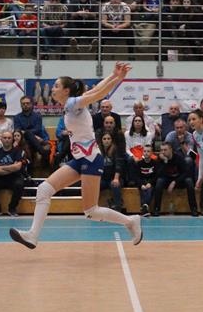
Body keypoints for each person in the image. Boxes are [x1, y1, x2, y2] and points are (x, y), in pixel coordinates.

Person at [10, 62, 142, 248]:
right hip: (79, 159)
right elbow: (95, 90)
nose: (52, 89)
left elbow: (98, 94)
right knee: (44, 190)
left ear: (66, 91)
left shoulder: (72, 103)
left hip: (91, 159)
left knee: (91, 211)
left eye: (56, 85)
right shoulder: (71, 104)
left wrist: (118, 78)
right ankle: (32, 235)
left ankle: (131, 221)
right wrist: (113, 75)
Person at [0, 130, 26, 217]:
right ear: (1, 139)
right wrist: (11, 168)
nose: (7, 140)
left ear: (12, 139)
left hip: (14, 177)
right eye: (5, 138)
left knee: (19, 184)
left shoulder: (17, 151)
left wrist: (1, 167)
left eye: (9, 138)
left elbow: (17, 167)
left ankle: (12, 209)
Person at [153, 141, 197, 216]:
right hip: (166, 180)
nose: (163, 152)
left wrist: (175, 182)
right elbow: (158, 175)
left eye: (165, 150)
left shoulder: (178, 158)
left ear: (170, 149)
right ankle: (156, 209)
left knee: (189, 181)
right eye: (162, 150)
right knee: (159, 181)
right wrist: (165, 161)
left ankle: (194, 209)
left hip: (178, 180)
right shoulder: (160, 159)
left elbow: (186, 173)